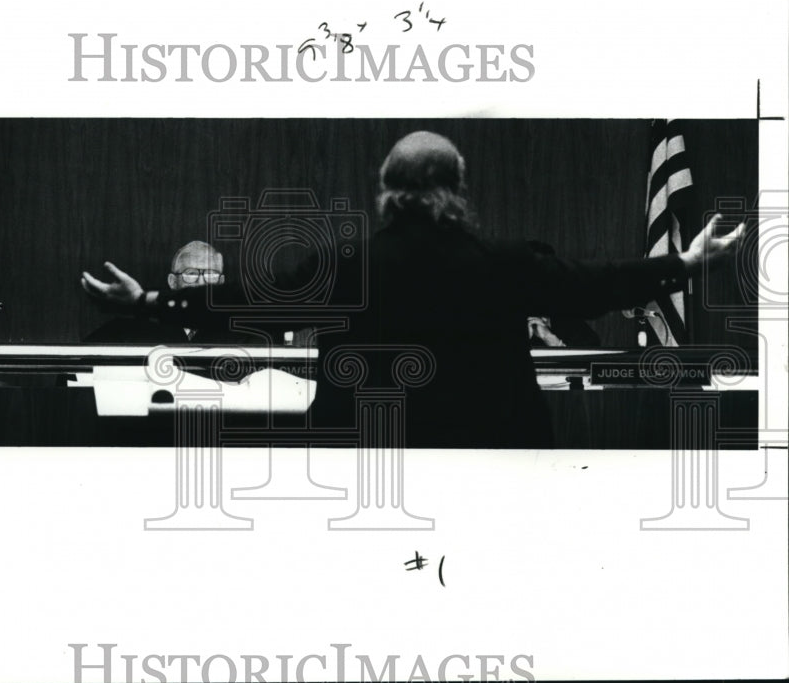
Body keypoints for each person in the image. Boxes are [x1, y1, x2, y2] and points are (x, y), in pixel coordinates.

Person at [81, 131, 744, 448]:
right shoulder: (506, 265)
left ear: (388, 194)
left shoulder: (348, 268)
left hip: (369, 460)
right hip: (492, 457)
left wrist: (147, 303)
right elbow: (593, 285)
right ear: (456, 193)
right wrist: (684, 263)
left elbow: (247, 300)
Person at [84, 240, 264, 345]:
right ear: (172, 282)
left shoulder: (245, 334)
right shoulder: (131, 328)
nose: (202, 282)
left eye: (210, 274)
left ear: (221, 282)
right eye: (191, 274)